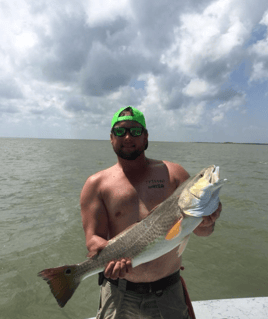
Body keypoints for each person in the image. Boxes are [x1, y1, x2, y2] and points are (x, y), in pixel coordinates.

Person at [80, 106, 222, 319]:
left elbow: (201, 231)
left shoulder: (174, 174)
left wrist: (207, 221)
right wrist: (107, 256)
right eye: (120, 131)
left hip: (168, 292)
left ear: (146, 137)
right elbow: (93, 239)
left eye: (135, 131)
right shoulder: (96, 184)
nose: (128, 136)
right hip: (118, 292)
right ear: (111, 137)